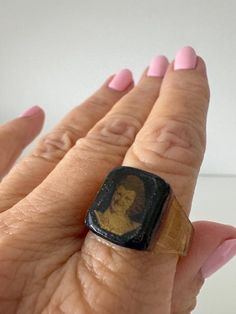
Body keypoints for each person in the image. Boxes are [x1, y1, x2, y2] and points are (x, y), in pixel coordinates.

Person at [0, 46, 235, 314]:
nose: (121, 197)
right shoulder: (107, 219)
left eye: (128, 197)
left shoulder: (132, 223)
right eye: (121, 195)